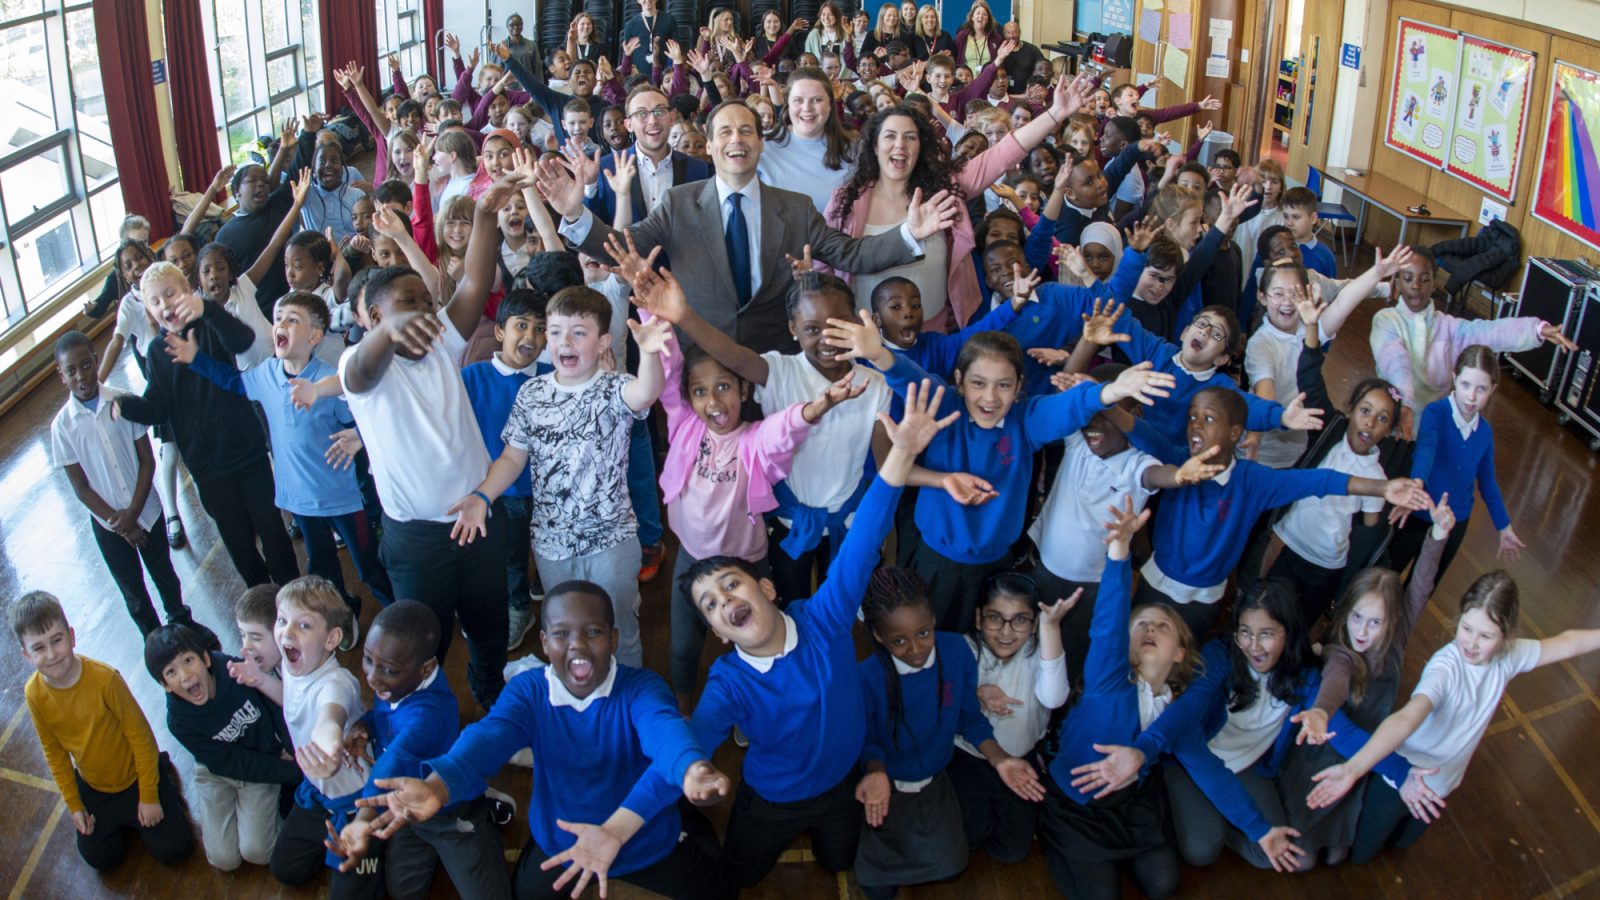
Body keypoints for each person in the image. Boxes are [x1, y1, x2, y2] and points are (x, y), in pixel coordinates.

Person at [682, 378, 948, 888]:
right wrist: (684, 772)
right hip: (771, 800)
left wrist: (900, 457)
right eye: (712, 605)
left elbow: (866, 534)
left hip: (842, 787)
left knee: (839, 863)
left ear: (766, 586)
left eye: (731, 585)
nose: (726, 601)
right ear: (718, 632)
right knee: (740, 872)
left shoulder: (824, 617)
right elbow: (691, 742)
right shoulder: (728, 684)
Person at [356, 583, 736, 900]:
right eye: (561, 633)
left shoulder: (642, 688)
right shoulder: (529, 691)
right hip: (560, 842)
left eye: (593, 632)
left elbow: (666, 731)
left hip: (644, 838)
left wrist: (691, 768)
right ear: (543, 640)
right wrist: (438, 787)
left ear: (614, 638)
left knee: (720, 891)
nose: (577, 645)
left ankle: (690, 824)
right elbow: (488, 737)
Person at [827, 318, 1176, 631]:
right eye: (978, 383)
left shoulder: (1026, 421)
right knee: (929, 633)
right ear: (960, 382)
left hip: (994, 566)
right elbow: (911, 378)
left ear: (1020, 386)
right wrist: (879, 355)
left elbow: (1067, 407)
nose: (990, 398)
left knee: (979, 641)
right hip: (936, 560)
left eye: (1004, 386)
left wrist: (1110, 392)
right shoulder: (946, 406)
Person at [538, 99, 959, 354]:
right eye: (725, 132)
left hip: (774, 359)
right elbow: (622, 245)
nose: (736, 139)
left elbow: (854, 254)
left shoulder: (795, 209)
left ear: (760, 143)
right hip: (701, 357)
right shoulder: (678, 203)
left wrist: (908, 233)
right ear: (710, 142)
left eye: (746, 131)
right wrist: (575, 215)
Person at [339, 183, 516, 709]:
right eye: (405, 307)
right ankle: (428, 720)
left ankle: (492, 699)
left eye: (425, 301)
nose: (424, 312)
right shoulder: (360, 370)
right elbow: (366, 364)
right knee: (426, 640)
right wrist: (389, 333)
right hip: (417, 539)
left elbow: (477, 279)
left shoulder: (442, 341)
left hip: (480, 517)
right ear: (373, 319)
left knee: (489, 627)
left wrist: (485, 214)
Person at [1306, 570, 1600, 862]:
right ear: (1459, 617)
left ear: (1506, 634)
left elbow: (1568, 642)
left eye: (1485, 636)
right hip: (1405, 776)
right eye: (1466, 628)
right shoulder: (1446, 667)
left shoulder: (1510, 656)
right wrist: (1353, 769)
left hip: (1444, 782)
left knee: (1404, 842)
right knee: (1362, 855)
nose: (1471, 643)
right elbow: (1407, 718)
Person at [447, 285, 669, 669]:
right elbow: (513, 459)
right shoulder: (531, 393)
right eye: (555, 331)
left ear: (602, 343)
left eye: (579, 332)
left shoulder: (614, 388)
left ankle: (628, 698)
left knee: (618, 624)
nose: (563, 341)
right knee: (565, 625)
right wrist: (482, 496)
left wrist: (648, 353)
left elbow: (647, 392)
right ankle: (575, 691)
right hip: (551, 544)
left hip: (611, 540)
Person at [649, 306, 855, 709]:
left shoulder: (755, 441)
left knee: (745, 642)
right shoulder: (685, 424)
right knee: (684, 646)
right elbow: (669, 370)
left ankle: (746, 708)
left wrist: (814, 408)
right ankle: (684, 710)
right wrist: (651, 312)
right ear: (689, 398)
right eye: (701, 391)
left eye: (724, 387)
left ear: (744, 390)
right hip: (691, 556)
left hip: (745, 563)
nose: (713, 400)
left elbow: (782, 433)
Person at [167, 290, 392, 646]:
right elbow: (232, 380)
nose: (281, 325)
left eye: (292, 319)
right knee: (321, 568)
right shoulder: (267, 374)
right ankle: (343, 614)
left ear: (315, 337)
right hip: (300, 501)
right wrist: (196, 358)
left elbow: (362, 419)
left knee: (367, 563)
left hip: (344, 500)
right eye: (278, 318)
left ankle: (397, 613)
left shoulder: (329, 381)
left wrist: (355, 434)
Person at [827, 72, 1092, 332]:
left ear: (921, 147)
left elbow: (1001, 154)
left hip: (936, 335)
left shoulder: (945, 189)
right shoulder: (846, 200)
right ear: (874, 145)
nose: (900, 145)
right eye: (889, 136)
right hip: (865, 338)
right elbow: (826, 265)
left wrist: (1056, 113)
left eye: (910, 137)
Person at [852, 567, 1043, 898]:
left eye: (924, 633)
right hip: (888, 785)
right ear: (878, 636)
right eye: (899, 640)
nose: (916, 650)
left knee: (952, 865)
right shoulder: (866, 677)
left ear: (934, 620)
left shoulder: (956, 652)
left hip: (936, 780)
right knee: (877, 889)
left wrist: (1000, 760)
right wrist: (876, 772)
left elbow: (968, 717)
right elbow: (866, 738)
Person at [114, 262, 301, 589]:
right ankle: (261, 603)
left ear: (186, 290)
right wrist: (124, 404)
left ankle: (292, 595)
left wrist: (209, 310)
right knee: (239, 543)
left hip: (246, 452)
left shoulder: (209, 322)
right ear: (148, 308)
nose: (165, 305)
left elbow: (243, 340)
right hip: (208, 467)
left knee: (272, 530)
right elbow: (158, 406)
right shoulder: (157, 351)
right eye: (155, 301)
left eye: (170, 294)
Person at [321, 601, 511, 899]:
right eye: (369, 659)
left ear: (426, 669)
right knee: (402, 891)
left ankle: (483, 819)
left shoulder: (429, 716)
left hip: (450, 813)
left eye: (387, 669)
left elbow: (390, 764)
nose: (372, 677)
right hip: (407, 808)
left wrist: (361, 820)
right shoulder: (399, 682)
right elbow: (390, 716)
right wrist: (368, 724)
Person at [15, 592, 193, 872]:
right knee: (102, 859)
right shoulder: (34, 693)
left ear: (71, 636)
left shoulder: (105, 679)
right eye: (38, 648)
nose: (51, 654)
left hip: (134, 777)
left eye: (57, 640)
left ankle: (161, 774)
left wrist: (148, 795)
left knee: (176, 849)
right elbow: (54, 752)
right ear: (26, 655)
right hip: (96, 787)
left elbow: (141, 737)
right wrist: (75, 805)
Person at [50, 331, 206, 641]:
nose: (80, 376)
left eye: (85, 365)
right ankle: (154, 642)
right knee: (134, 593)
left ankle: (183, 626)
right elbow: (81, 489)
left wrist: (134, 513)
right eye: (71, 371)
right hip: (109, 527)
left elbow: (147, 460)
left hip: (146, 511)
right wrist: (121, 525)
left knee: (165, 575)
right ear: (61, 376)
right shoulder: (62, 427)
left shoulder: (124, 401)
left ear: (97, 362)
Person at [1369, 247, 1573, 436]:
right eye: (1408, 278)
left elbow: (1488, 332)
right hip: (1392, 422)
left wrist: (1536, 330)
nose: (1416, 286)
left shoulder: (1448, 327)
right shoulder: (1386, 320)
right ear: (1396, 282)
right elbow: (1395, 361)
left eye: (1424, 279)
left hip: (1433, 429)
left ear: (1434, 283)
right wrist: (1405, 405)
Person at [147, 623, 298, 871]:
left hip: (258, 760)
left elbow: (275, 706)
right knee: (224, 860)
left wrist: (293, 755)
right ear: (164, 684)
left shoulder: (234, 670)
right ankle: (251, 815)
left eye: (188, 661)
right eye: (171, 672)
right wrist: (291, 773)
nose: (185, 676)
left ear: (205, 658)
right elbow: (228, 762)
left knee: (258, 852)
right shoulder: (178, 721)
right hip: (217, 771)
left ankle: (272, 819)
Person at [265, 576, 380, 894]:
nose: (286, 632)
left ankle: (379, 844)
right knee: (285, 869)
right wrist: (258, 680)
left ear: (332, 639)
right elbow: (294, 702)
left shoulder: (337, 683)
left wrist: (328, 748)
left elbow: (330, 718)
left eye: (303, 626)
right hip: (317, 794)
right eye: (282, 620)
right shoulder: (292, 667)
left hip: (355, 803)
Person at [950, 574, 1073, 863]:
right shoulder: (964, 649)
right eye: (995, 618)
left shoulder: (1041, 654)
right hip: (970, 757)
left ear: (1033, 625)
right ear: (979, 618)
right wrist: (977, 693)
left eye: (1020, 620)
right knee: (970, 836)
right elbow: (945, 711)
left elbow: (1055, 698)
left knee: (1013, 850)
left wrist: (1051, 627)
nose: (1006, 631)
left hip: (1021, 759)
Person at [459, 289, 550, 651]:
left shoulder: (552, 375)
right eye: (521, 326)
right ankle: (519, 608)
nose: (530, 336)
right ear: (500, 332)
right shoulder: (473, 377)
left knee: (547, 549)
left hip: (548, 489)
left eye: (540, 329)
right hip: (501, 491)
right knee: (511, 555)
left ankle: (545, 587)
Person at [1388, 346, 1522, 581]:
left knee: (1423, 586)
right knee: (1388, 573)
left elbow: (1488, 483)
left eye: (1481, 389)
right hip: (1418, 512)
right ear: (1454, 379)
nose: (1471, 396)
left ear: (1493, 390)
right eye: (1465, 385)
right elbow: (1426, 449)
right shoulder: (1436, 413)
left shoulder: (1485, 433)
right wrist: (1417, 486)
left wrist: (1504, 527)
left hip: (1453, 522)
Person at [586, 85, 712, 227]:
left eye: (659, 111)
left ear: (671, 118)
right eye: (642, 114)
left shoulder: (697, 168)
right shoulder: (607, 167)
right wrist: (589, 187)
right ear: (629, 125)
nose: (652, 121)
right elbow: (596, 225)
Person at [756, 67, 859, 217]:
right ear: (788, 103)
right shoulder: (762, 148)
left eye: (817, 100)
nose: (807, 108)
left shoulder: (853, 149)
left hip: (838, 239)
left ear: (830, 104)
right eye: (798, 100)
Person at [1278, 187, 1338, 279]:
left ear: (1313, 218)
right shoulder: (1275, 248)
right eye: (1286, 216)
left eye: (1296, 217)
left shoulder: (1326, 256)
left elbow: (1331, 291)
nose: (1289, 223)